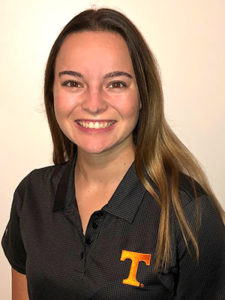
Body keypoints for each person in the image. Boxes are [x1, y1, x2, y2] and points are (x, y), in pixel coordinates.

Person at [2, 8, 225, 300]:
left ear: (143, 95)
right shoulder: (32, 195)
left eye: (116, 83)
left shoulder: (189, 213)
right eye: (73, 83)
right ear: (52, 93)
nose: (94, 104)